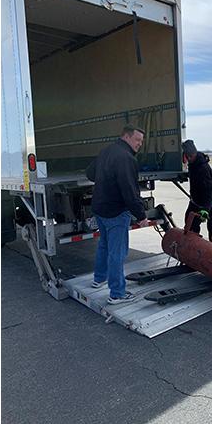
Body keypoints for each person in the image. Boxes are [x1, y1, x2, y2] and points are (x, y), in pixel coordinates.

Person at [84, 125, 149, 305]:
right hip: (116, 212)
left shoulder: (106, 151)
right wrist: (141, 216)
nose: (139, 144)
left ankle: (99, 279)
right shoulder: (126, 158)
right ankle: (117, 293)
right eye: (137, 140)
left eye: (141, 142)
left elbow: (90, 173)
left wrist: (105, 181)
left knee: (104, 245)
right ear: (126, 137)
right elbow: (130, 191)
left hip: (100, 208)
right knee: (117, 253)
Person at [181, 140, 212, 241]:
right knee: (190, 219)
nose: (188, 159)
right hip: (198, 198)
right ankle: (192, 241)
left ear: (191, 155)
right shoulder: (193, 161)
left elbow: (208, 190)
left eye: (190, 156)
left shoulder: (202, 168)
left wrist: (205, 209)